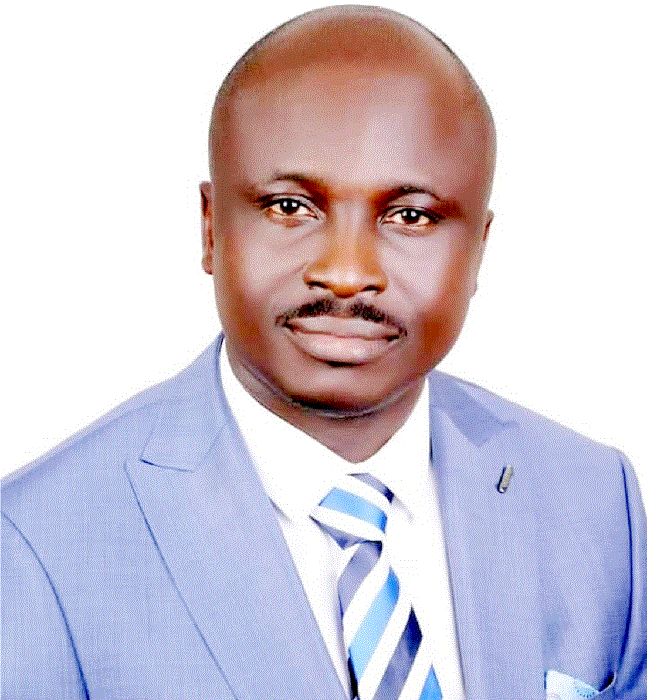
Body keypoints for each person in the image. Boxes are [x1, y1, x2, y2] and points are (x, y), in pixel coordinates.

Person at [2, 6, 645, 700]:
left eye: (410, 216)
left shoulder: (592, 499)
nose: (345, 272)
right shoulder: (35, 544)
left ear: (477, 250)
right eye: (289, 207)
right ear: (211, 229)